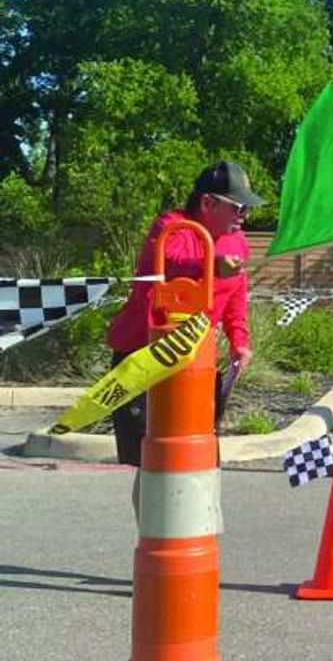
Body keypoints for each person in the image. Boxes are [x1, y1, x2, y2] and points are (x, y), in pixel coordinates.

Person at [106, 161, 261, 466]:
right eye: (239, 208)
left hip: (194, 363)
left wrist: (239, 341)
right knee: (149, 464)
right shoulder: (171, 227)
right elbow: (171, 261)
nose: (244, 218)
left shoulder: (237, 243)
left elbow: (235, 298)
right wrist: (213, 264)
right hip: (141, 358)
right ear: (207, 203)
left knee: (195, 459)